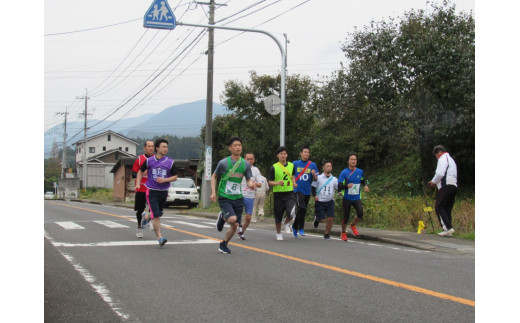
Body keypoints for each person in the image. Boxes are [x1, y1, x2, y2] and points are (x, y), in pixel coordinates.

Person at [211, 137, 255, 254]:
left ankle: (223, 244)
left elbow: (249, 179)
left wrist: (252, 185)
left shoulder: (245, 164)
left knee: (235, 225)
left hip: (238, 197)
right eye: (235, 145)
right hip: (225, 196)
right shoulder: (223, 163)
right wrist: (213, 192)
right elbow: (214, 176)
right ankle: (222, 217)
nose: (238, 147)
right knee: (232, 219)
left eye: (239, 145)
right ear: (230, 148)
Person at [135, 138, 178, 247]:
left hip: (163, 191)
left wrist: (164, 180)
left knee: (158, 212)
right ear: (157, 148)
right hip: (152, 190)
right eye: (163, 147)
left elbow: (175, 177)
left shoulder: (170, 162)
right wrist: (138, 183)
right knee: (157, 216)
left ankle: (146, 217)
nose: (166, 149)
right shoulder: (149, 161)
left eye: (167, 147)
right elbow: (140, 172)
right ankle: (160, 237)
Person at [337, 153, 369, 241]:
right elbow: (339, 185)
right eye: (351, 159)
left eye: (355, 159)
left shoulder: (360, 171)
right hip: (347, 198)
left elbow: (363, 180)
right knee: (345, 217)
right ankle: (343, 232)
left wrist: (365, 185)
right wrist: (347, 186)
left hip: (356, 197)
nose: (353, 161)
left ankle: (353, 225)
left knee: (360, 213)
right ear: (348, 161)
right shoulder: (344, 172)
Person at [268, 146, 297, 241]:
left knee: (291, 212)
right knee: (278, 216)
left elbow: (292, 175)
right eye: (281, 154)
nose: (283, 155)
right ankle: (279, 233)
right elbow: (270, 182)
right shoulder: (274, 167)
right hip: (278, 194)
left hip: (289, 193)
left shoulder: (292, 165)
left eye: (284, 154)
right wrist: (277, 183)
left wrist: (294, 182)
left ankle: (286, 222)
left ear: (287, 155)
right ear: (278, 155)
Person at [428, 145, 458, 236]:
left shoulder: (442, 159)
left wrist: (433, 182)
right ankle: (448, 229)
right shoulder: (451, 160)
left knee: (439, 206)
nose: (436, 158)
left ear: (439, 152)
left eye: (436, 155)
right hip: (453, 185)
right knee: (447, 208)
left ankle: (448, 228)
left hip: (445, 186)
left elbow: (440, 173)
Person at [292, 146, 318, 237]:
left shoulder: (313, 165)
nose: (306, 153)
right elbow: (291, 174)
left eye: (308, 152)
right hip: (297, 190)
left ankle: (295, 226)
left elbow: (315, 179)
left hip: (307, 191)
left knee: (302, 209)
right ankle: (301, 228)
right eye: (305, 152)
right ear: (301, 153)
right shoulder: (295, 163)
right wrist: (293, 182)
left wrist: (314, 175)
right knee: (302, 208)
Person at [132, 141, 155, 238]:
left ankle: (149, 220)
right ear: (145, 148)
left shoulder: (156, 159)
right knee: (140, 209)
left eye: (152, 146)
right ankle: (139, 227)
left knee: (153, 208)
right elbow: (133, 174)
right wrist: (143, 173)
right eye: (149, 146)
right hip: (141, 188)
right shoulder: (139, 159)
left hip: (152, 187)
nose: (151, 148)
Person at [237, 153, 262, 240]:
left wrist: (255, 184)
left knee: (248, 218)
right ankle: (239, 227)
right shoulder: (239, 168)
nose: (249, 160)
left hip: (250, 196)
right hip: (239, 195)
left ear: (254, 160)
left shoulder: (255, 170)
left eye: (251, 159)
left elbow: (260, 183)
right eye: (247, 159)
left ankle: (242, 231)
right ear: (244, 159)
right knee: (238, 215)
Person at [312, 160, 339, 239]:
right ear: (323, 168)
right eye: (327, 166)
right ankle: (317, 219)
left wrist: (340, 191)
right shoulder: (318, 178)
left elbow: (338, 187)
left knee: (330, 218)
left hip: (330, 201)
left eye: (330, 166)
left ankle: (326, 234)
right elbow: (313, 187)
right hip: (320, 201)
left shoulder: (334, 179)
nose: (329, 168)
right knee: (322, 220)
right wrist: (314, 196)